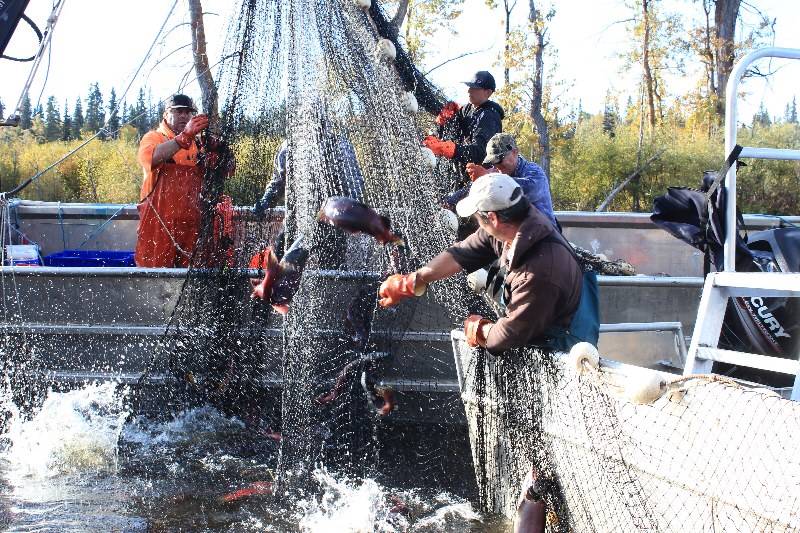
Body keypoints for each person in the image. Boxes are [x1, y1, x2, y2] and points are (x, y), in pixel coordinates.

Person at [378, 173, 589, 353]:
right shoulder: (513, 224)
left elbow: (507, 336)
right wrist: (413, 280)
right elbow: (460, 253)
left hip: (563, 346)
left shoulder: (538, 273)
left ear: (493, 218)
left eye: (477, 218)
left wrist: (479, 329)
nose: (477, 224)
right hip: (535, 323)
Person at [136, 94, 228, 267]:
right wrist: (184, 137)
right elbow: (151, 158)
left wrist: (222, 152)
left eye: (188, 112)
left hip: (191, 227)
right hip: (158, 227)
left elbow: (226, 172)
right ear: (166, 114)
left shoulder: (200, 144)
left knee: (190, 276)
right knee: (155, 276)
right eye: (178, 112)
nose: (184, 116)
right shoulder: (154, 138)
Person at [423, 70, 504, 187]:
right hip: (463, 175)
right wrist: (445, 119)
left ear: (488, 92)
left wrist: (449, 149)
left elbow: (480, 153)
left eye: (475, 88)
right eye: (470, 87)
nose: (469, 91)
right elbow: (454, 128)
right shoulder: (467, 109)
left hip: (483, 179)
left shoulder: (489, 116)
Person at [467, 133, 558, 229]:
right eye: (493, 162)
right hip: (514, 235)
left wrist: (489, 179)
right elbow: (470, 190)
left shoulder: (535, 172)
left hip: (545, 237)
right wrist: (451, 201)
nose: (497, 166)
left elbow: (528, 190)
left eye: (499, 160)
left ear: (515, 152)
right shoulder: (495, 173)